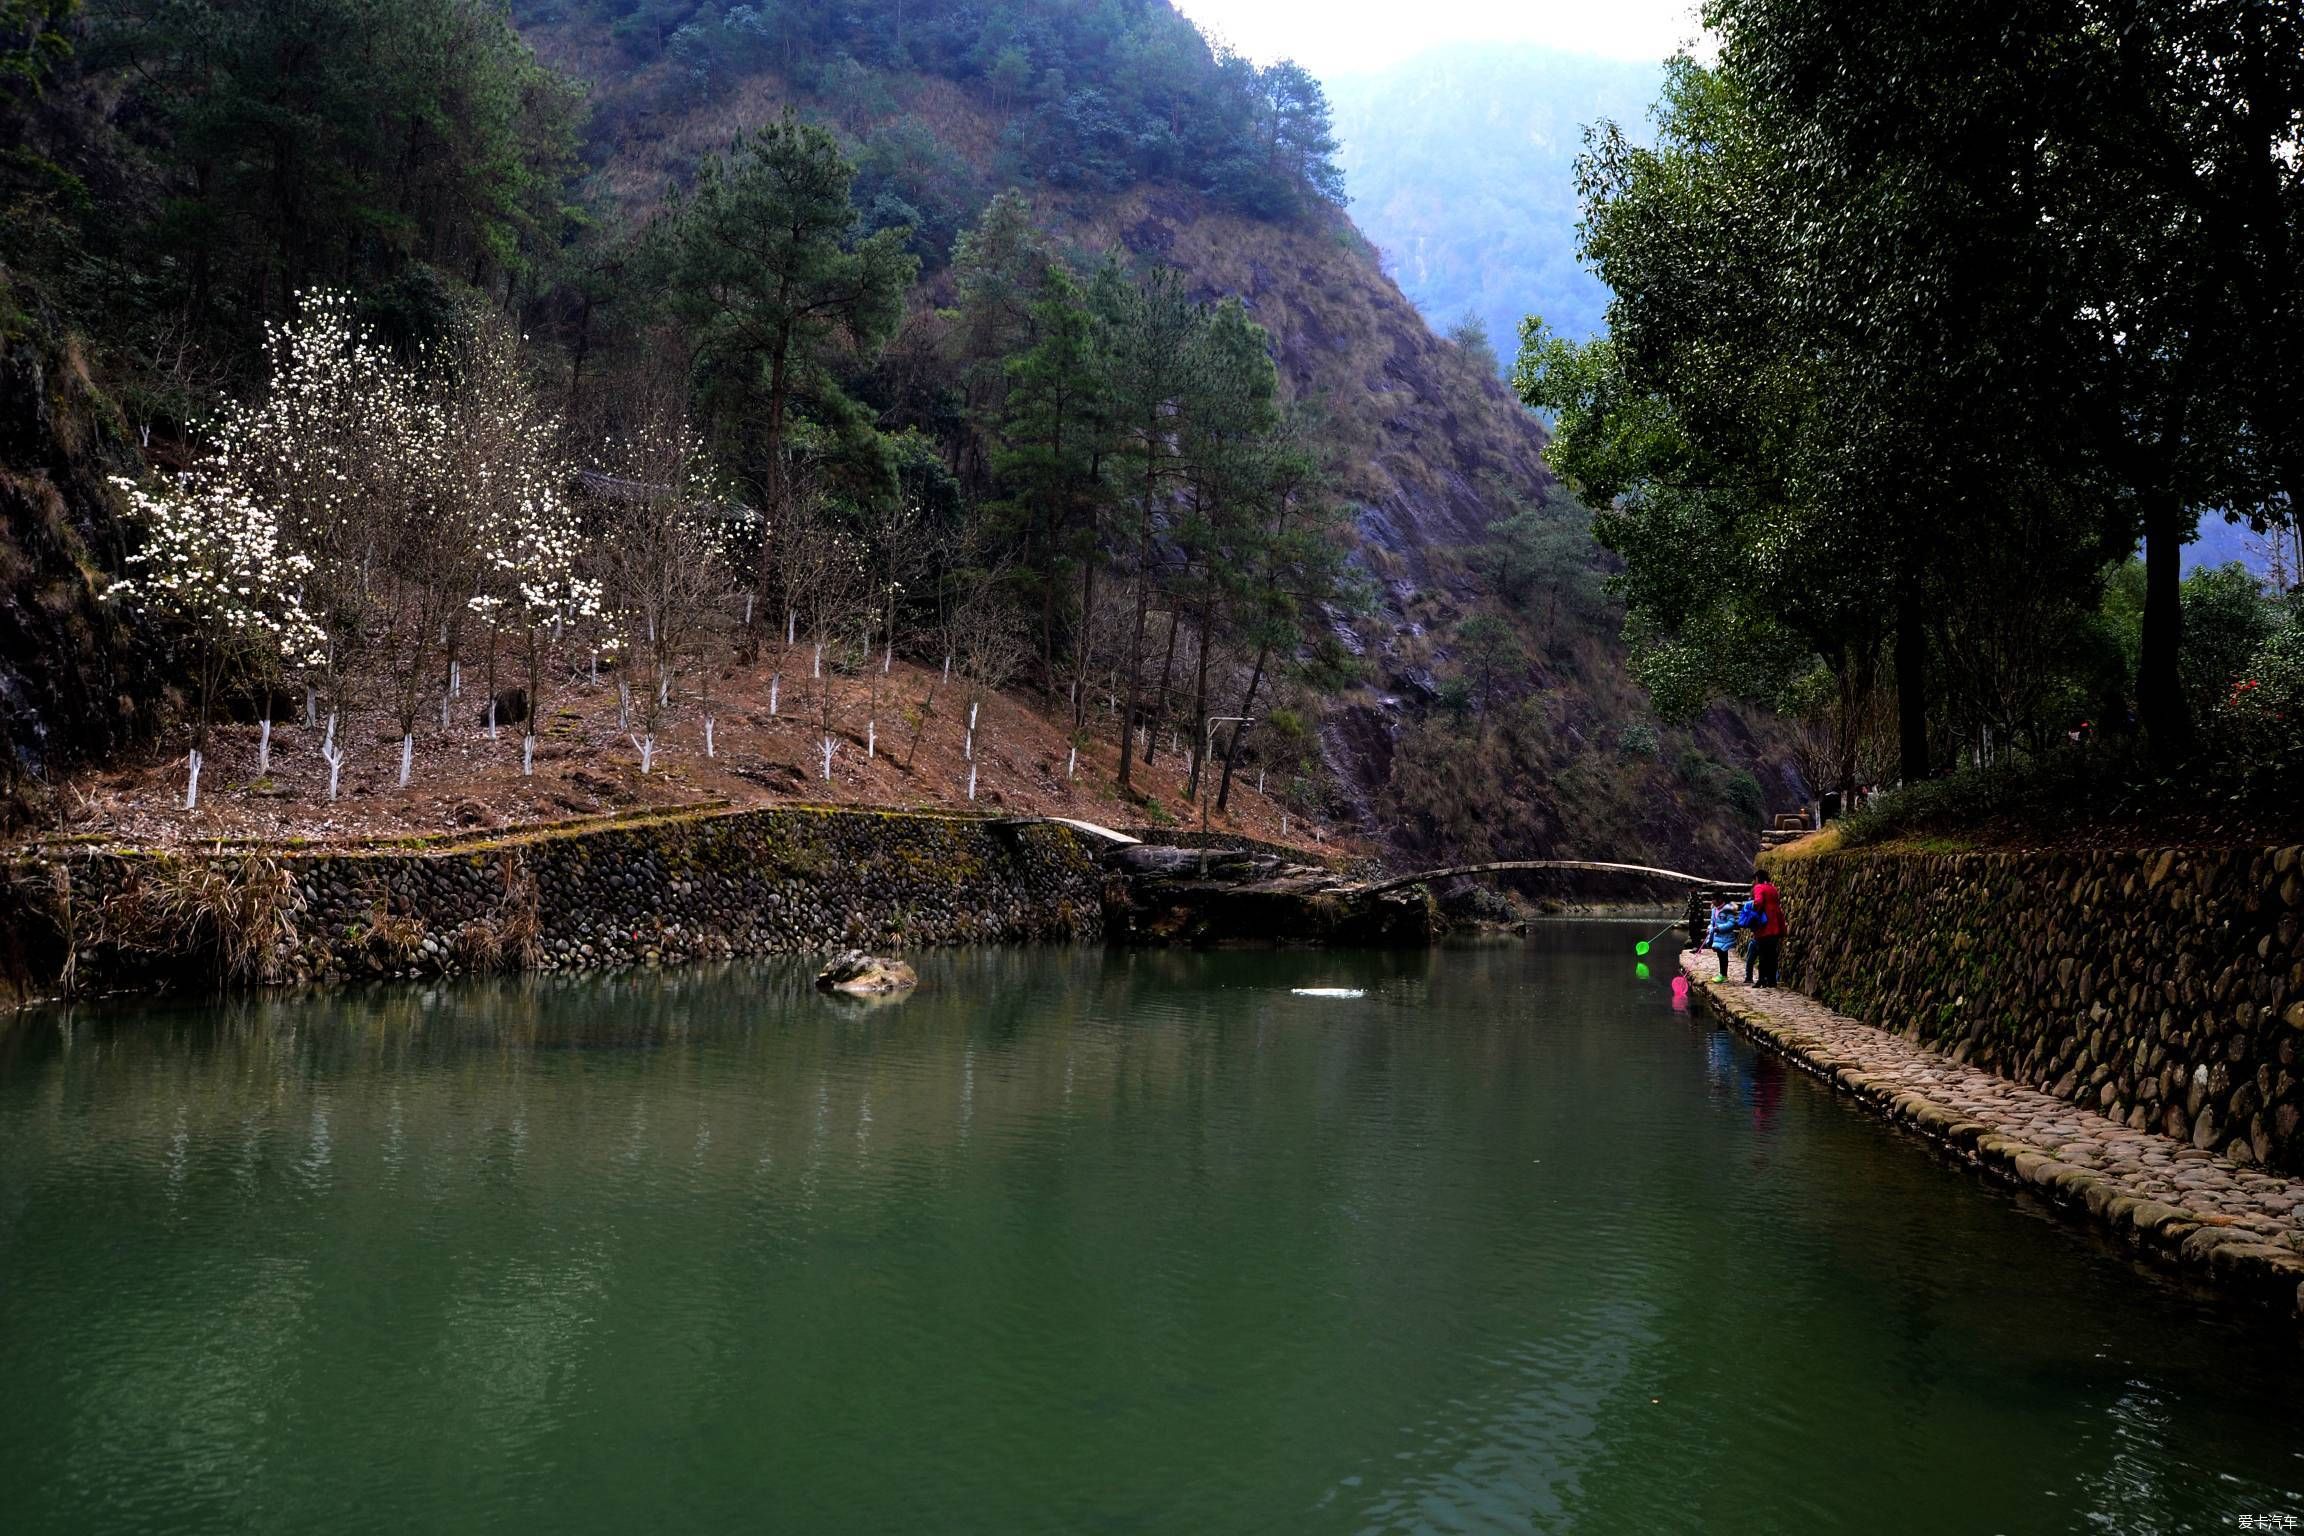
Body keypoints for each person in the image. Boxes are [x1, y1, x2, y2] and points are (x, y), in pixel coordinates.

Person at [1750, 866, 1786, 987]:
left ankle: (1761, 979)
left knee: (1763, 953)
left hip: (1765, 926)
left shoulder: (1759, 887)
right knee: (1772, 954)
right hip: (1776, 925)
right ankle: (1772, 980)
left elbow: (1758, 902)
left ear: (1757, 878)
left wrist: (1752, 908)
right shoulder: (1773, 889)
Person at [1706, 901, 1738, 979]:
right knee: (1720, 955)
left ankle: (1723, 975)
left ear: (1719, 899)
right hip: (1717, 937)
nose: (1712, 901)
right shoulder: (1714, 910)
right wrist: (1710, 928)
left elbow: (1731, 923)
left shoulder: (1727, 910)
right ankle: (1722, 974)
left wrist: (1719, 928)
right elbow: (1712, 923)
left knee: (1723, 954)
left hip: (1725, 937)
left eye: (1714, 899)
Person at [1737, 896, 1763, 983]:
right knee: (1760, 959)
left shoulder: (1752, 912)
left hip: (1757, 938)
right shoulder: (1761, 913)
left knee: (1751, 959)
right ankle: (1761, 978)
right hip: (1760, 938)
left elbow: (1743, 923)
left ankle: (1749, 977)